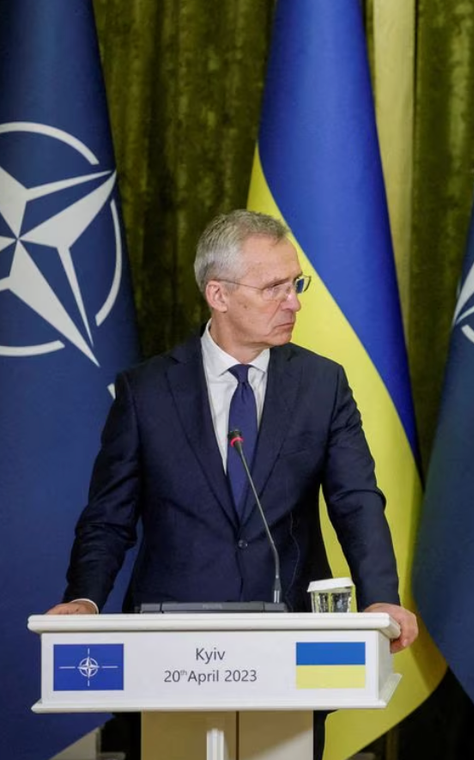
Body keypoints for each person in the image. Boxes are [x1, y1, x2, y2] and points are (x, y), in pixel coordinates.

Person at [48, 209, 418, 636]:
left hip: (292, 628)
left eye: (296, 284)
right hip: (168, 634)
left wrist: (380, 596)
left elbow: (356, 501)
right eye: (274, 288)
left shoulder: (322, 383)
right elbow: (109, 515)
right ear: (218, 295)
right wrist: (85, 597)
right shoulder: (146, 391)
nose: (293, 302)